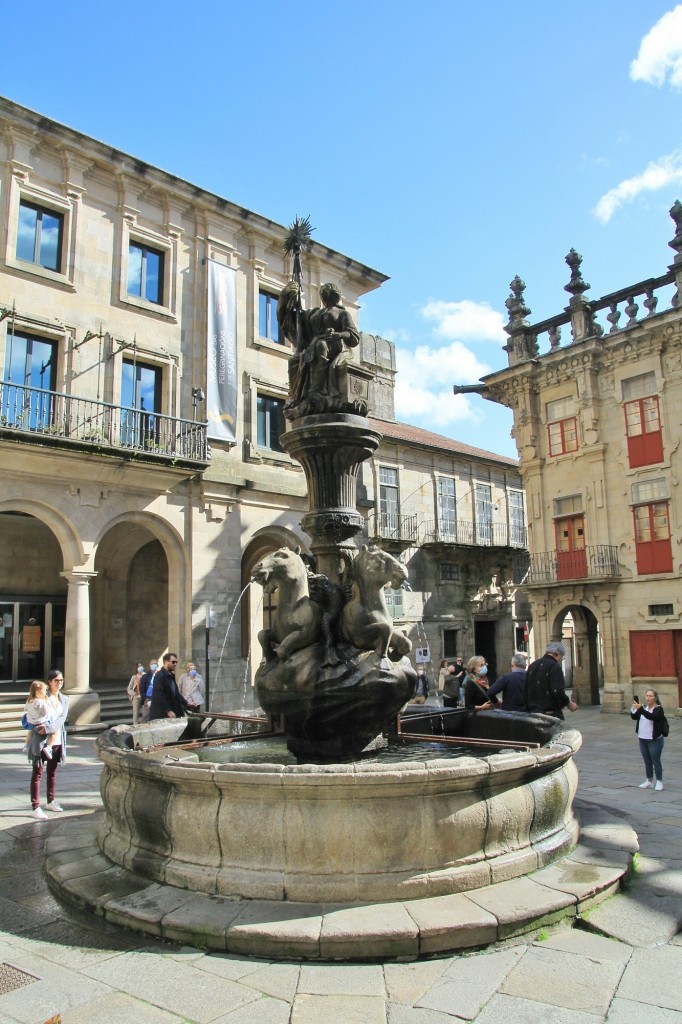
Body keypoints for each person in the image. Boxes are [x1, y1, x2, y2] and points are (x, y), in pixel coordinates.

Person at [278, 281, 361, 418]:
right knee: (294, 359)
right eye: (323, 294)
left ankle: (316, 391)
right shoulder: (315, 313)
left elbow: (353, 336)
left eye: (326, 294)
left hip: (333, 345)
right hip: (313, 346)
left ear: (334, 296)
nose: (324, 296)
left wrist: (338, 335)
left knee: (320, 346)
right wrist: (291, 300)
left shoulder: (342, 314)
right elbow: (298, 321)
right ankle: (296, 396)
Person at [28, 669, 69, 819]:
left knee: (52, 772)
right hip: (41, 738)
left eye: (62, 681)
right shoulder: (42, 698)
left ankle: (50, 800)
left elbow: (62, 718)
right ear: (49, 682)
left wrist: (49, 728)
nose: (59, 683)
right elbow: (31, 715)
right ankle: (35, 807)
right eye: (57, 680)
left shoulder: (65, 699)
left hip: (56, 739)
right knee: (37, 772)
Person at [525, 641, 577, 719]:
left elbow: (525, 689)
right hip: (550, 713)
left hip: (533, 713)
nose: (561, 659)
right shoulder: (554, 667)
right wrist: (568, 703)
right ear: (558, 653)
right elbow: (557, 691)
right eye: (562, 656)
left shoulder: (532, 665)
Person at [631, 688, 666, 791]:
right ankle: (649, 780)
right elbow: (634, 717)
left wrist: (640, 709)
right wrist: (634, 709)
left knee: (656, 760)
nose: (648, 698)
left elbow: (652, 717)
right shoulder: (644, 708)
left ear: (655, 698)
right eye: (647, 695)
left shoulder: (658, 709)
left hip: (654, 740)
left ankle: (659, 781)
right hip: (643, 738)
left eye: (650, 696)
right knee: (647, 761)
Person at [148, 652, 191, 721]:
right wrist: (168, 711)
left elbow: (175, 693)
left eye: (176, 662)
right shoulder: (160, 675)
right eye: (173, 662)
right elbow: (159, 695)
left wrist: (187, 703)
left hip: (172, 712)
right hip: (162, 715)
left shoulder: (170, 675)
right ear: (166, 662)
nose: (175, 664)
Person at [24, 680, 58, 759]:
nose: (45, 693)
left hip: (32, 723)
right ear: (37, 692)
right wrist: (47, 702)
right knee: (54, 732)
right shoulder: (40, 702)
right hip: (42, 723)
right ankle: (49, 747)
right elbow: (46, 712)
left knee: (30, 732)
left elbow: (26, 709)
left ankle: (26, 744)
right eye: (44, 691)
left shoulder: (29, 701)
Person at [139, 657, 159, 723]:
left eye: (155, 664)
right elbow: (142, 689)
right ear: (149, 665)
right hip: (148, 699)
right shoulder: (145, 676)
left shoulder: (160, 675)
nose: (154, 665)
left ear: (158, 665)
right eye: (152, 664)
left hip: (157, 698)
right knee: (145, 716)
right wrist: (145, 699)